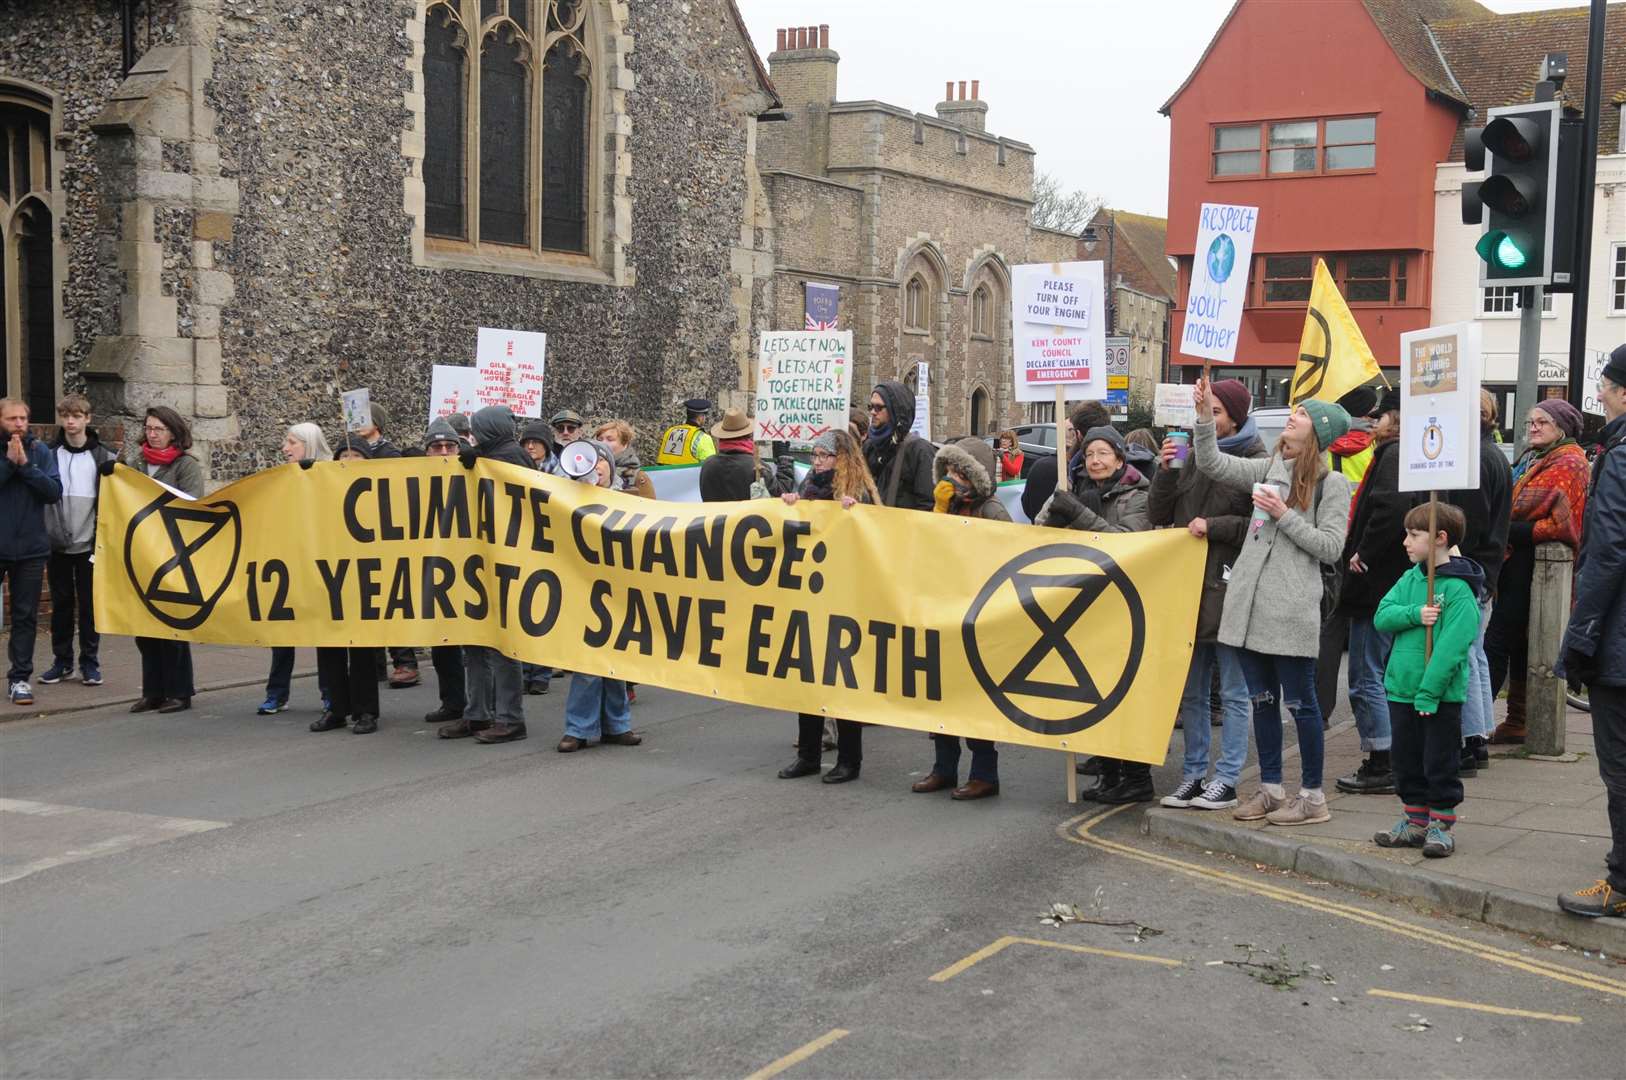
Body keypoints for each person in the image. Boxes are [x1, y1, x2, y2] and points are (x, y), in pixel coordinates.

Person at [1191, 378, 1352, 827]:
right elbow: (1212, 463)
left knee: (1302, 706)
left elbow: (1331, 547)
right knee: (1262, 700)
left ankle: (1313, 797)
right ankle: (1271, 789)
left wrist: (1283, 517)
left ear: (1316, 431)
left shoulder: (1332, 484)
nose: (1291, 417)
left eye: (1300, 414)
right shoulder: (1269, 468)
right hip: (1248, 608)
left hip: (1290, 610)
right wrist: (1205, 417)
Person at [1149, 378, 1264, 813]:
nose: (1207, 420)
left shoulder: (1256, 460)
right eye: (1204, 411)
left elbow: (1259, 526)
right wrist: (1165, 471)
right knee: (1192, 693)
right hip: (1188, 587)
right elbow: (1159, 512)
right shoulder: (1192, 455)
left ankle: (1228, 777)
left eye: (1214, 412)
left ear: (1235, 416)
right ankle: (1194, 775)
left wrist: (1211, 526)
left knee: (1234, 692)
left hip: (1229, 585)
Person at [1039, 425, 1155, 802]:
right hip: (1084, 607)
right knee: (1093, 693)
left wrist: (1078, 514)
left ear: (1120, 458)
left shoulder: (1138, 495)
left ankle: (1136, 777)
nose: (1095, 461)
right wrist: (1055, 517)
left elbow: (1122, 543)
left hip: (1126, 608)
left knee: (1124, 692)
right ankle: (1108, 773)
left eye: (1103, 453)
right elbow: (1039, 533)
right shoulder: (1076, 492)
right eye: (1089, 455)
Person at [1555, 348, 1626, 919]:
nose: (1600, 395)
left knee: (1620, 764)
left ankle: (1622, 885)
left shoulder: (1620, 459)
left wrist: (1579, 640)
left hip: (1621, 643)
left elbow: (1605, 557)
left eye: (1604, 386)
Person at [1372, 502, 1484, 859]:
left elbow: (1452, 647)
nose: (1405, 541)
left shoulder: (1458, 591)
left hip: (1436, 697)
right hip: (1401, 691)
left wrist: (1429, 692)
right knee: (1405, 761)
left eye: (1414, 534)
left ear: (1440, 539)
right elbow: (1382, 616)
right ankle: (1415, 820)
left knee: (1439, 761)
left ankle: (1440, 824)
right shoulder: (1410, 579)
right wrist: (1415, 614)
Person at [777, 430, 879, 784]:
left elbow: (876, 537)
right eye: (815, 455)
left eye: (825, 456)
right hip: (811, 596)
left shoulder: (859, 493)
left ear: (842, 458)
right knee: (808, 678)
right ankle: (808, 754)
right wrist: (790, 506)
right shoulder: (809, 490)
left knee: (843, 681)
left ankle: (851, 760)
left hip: (846, 598)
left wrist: (856, 514)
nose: (818, 461)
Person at [1486, 399, 1590, 744]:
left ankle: (1472, 723)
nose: (1533, 427)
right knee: (1516, 643)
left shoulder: (1570, 461)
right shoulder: (1535, 458)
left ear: (1562, 427)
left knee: (1499, 640)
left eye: (1542, 422)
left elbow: (1557, 521)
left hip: (1536, 562)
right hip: (1519, 560)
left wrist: (1502, 527)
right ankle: (1517, 720)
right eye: (1530, 422)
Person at [913, 437, 1010, 800]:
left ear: (975, 476)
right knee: (943, 695)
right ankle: (944, 767)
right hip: (944, 610)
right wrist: (939, 510)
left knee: (975, 699)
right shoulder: (947, 506)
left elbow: (1004, 561)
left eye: (959, 471)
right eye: (948, 470)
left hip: (979, 616)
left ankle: (985, 772)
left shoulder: (992, 510)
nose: (952, 478)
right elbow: (929, 549)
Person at [1332, 388, 1414, 796]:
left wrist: (1362, 551)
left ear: (1396, 419)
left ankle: (1382, 759)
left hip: (1376, 582)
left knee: (1367, 674)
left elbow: (1389, 510)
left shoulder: (1394, 455)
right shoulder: (1401, 453)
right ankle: (1390, 755)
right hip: (1389, 580)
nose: (1373, 421)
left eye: (1380, 416)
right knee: (1383, 672)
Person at [445, 405, 532, 743]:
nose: (474, 435)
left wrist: (475, 457)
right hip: (483, 558)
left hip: (503, 560)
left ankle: (509, 719)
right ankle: (478, 713)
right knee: (477, 643)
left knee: (499, 646)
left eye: (477, 430)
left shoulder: (511, 459)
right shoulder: (501, 452)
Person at [558, 439, 643, 753]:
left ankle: (616, 725)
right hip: (583, 586)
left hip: (620, 586)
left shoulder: (628, 496)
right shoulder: (567, 499)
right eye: (590, 463)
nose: (596, 468)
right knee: (587, 662)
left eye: (601, 461)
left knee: (617, 660)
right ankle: (578, 727)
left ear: (610, 464)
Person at [1444, 389, 1512, 776]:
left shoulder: (1476, 460)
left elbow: (1470, 524)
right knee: (1476, 653)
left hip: (1470, 569)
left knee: (1464, 655)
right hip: (1484, 569)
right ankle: (1479, 737)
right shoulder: (1492, 455)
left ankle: (1468, 743)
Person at [122, 406, 204, 714]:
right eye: (149, 428)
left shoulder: (185, 466)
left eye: (158, 429)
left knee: (172, 626)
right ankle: (153, 690)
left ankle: (180, 691)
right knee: (144, 626)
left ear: (173, 432)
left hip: (173, 554)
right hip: (141, 551)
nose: (152, 434)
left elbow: (192, 503)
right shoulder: (134, 464)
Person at [1314, 386, 1381, 721]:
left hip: (1329, 541)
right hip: (1362, 545)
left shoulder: (1324, 449)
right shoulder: (1377, 450)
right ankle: (1370, 708)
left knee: (1330, 626)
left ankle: (1319, 709)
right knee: (1367, 628)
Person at [310, 434, 384, 734]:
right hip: (331, 576)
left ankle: (366, 712)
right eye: (344, 456)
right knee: (330, 650)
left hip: (365, 578)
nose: (349, 462)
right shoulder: (323, 491)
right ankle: (337, 709)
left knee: (363, 652)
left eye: (357, 456)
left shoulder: (381, 491)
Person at [258, 423, 334, 715]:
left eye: (292, 442)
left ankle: (331, 691)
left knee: (325, 634)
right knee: (282, 633)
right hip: (288, 563)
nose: (285, 448)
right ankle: (276, 693)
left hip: (321, 564)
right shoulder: (282, 477)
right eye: (285, 441)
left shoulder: (331, 476)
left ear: (309, 445)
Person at [41, 395, 113, 688]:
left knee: (89, 606)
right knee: (61, 604)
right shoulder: (49, 453)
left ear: (87, 419)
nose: (70, 421)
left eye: (76, 415)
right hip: (56, 541)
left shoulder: (105, 458)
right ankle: (62, 662)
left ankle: (90, 663)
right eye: (65, 415)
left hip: (90, 543)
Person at [1, 397, 63, 706]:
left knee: (25, 616)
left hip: (30, 549)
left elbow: (53, 492)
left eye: (23, 418)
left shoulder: (40, 452)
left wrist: (25, 466)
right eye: (12, 419)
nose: (19, 424)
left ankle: (20, 679)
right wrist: (8, 464)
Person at [421, 419, 468, 727]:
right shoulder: (411, 480)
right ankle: (452, 702)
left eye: (450, 446)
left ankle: (482, 706)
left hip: (468, 571)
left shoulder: (472, 473)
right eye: (437, 447)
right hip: (434, 573)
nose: (444, 452)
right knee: (443, 644)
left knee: (476, 647)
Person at [1020, 401, 1112, 523]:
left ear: (1076, 434)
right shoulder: (1118, 473)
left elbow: (1030, 509)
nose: (1095, 462)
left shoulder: (1050, 470)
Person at [863, 381, 936, 510]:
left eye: (879, 408)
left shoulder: (919, 451)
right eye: (871, 407)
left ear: (895, 410)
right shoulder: (869, 446)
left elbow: (927, 505)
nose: (873, 412)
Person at [699, 407, 791, 502]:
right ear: (749, 436)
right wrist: (784, 458)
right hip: (746, 517)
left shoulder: (707, 465)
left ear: (722, 437)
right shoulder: (758, 468)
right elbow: (782, 494)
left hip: (716, 516)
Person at [595, 419, 656, 498]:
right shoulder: (590, 470)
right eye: (600, 440)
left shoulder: (638, 477)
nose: (603, 443)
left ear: (625, 444)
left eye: (610, 439)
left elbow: (649, 508)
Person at [656, 398, 717, 465]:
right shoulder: (703, 438)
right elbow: (710, 466)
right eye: (704, 416)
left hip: (665, 475)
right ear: (700, 417)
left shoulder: (671, 431)